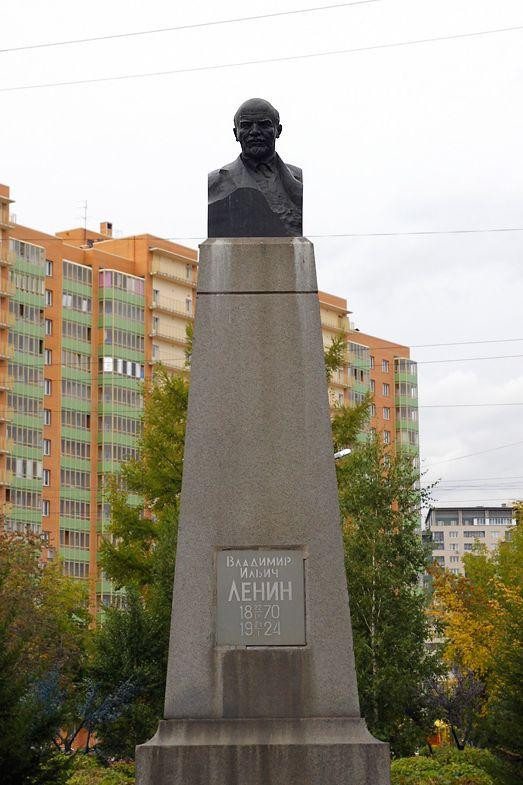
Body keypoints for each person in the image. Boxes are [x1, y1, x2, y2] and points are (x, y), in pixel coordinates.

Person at [208, 98, 303, 237]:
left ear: (278, 130)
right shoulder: (213, 183)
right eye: (246, 125)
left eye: (263, 124)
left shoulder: (301, 178)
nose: (254, 131)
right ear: (236, 134)